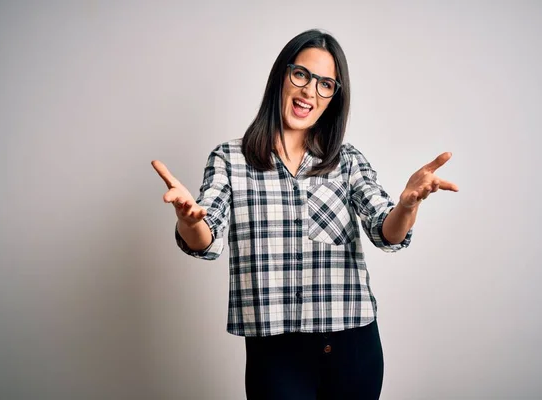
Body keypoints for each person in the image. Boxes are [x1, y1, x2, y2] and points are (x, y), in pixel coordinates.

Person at [152, 29, 458, 400]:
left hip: (353, 345)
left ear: (333, 97)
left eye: (326, 84)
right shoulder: (230, 159)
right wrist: (189, 221)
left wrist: (407, 207)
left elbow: (386, 231)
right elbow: (206, 239)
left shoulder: (347, 161)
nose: (310, 91)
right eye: (301, 75)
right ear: (282, 76)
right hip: (275, 353)